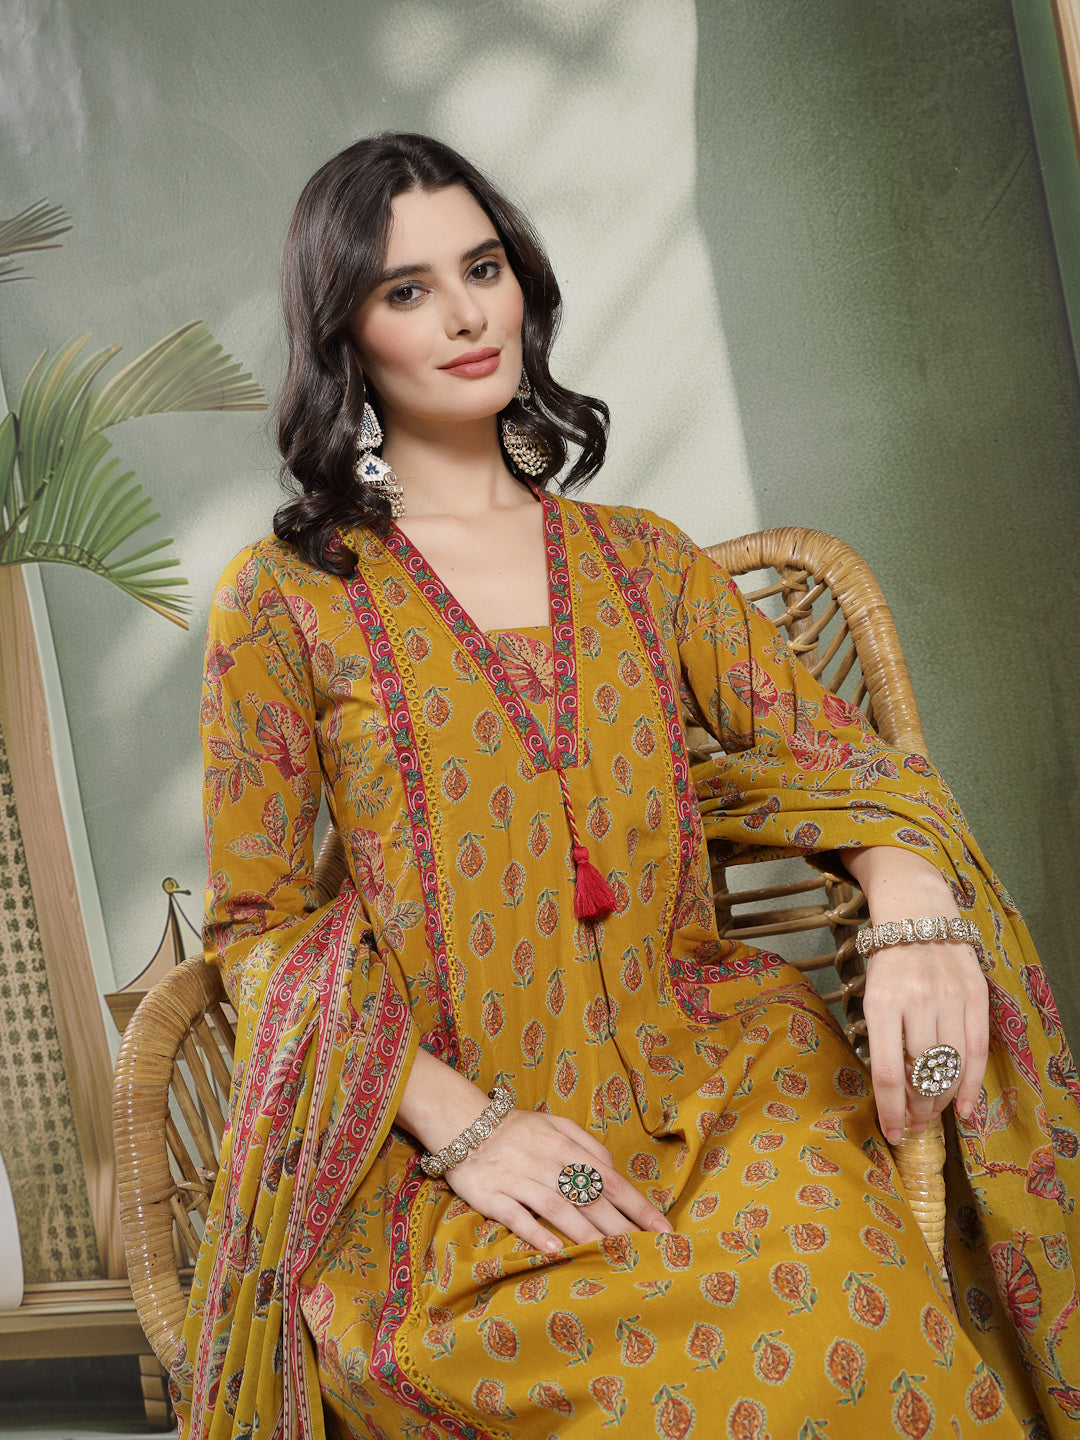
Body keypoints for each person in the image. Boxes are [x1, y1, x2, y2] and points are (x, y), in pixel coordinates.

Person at [174, 133, 1080, 1440]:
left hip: (729, 1083)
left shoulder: (645, 564)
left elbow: (838, 761)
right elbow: (256, 928)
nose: (466, 314)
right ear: (346, 337)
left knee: (840, 1326)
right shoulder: (285, 602)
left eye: (483, 268)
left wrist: (907, 899)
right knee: (641, 1391)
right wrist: (462, 1126)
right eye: (407, 289)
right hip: (457, 1137)